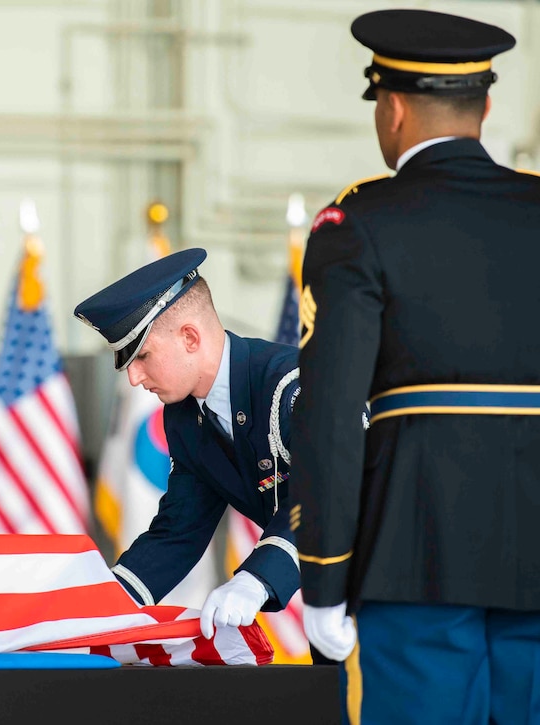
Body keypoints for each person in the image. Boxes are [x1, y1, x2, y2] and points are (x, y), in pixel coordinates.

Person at [289, 9, 540, 724]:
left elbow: (332, 413)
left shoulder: (360, 222)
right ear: (485, 106)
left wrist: (326, 578)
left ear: (392, 108)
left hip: (417, 551)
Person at [74, 248, 301, 643]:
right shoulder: (185, 416)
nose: (134, 378)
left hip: (408, 588)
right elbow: (179, 531)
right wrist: (102, 611)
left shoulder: (293, 386)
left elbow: (333, 495)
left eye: (142, 357)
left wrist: (258, 578)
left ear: (190, 338)